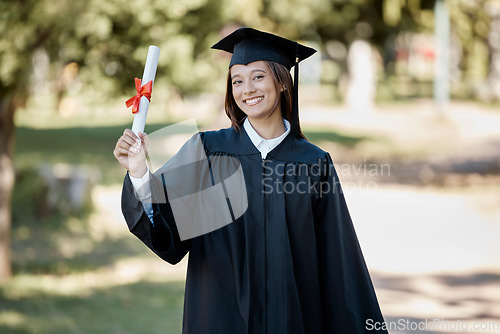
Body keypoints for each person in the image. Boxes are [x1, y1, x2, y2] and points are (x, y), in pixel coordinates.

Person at [113, 27, 388, 334]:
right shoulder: (207, 151)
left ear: (282, 82)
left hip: (292, 321)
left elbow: (338, 264)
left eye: (258, 77)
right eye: (237, 81)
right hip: (219, 320)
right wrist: (139, 172)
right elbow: (166, 232)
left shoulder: (312, 162)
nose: (247, 90)